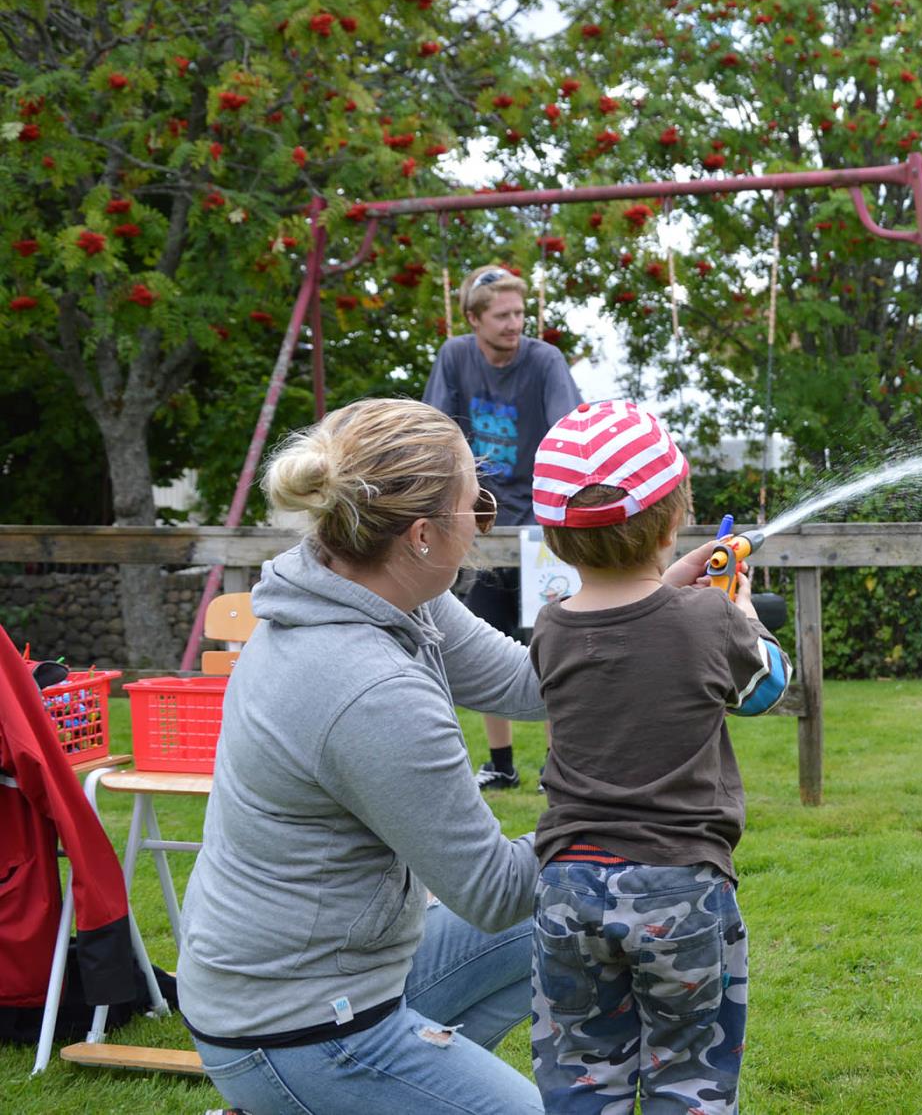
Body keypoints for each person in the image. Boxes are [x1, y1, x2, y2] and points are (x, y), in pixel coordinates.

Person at [176, 398, 548, 1114]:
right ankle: (309, 1094)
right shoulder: (368, 688)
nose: (482, 525)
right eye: (480, 508)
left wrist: (649, 625)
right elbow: (495, 891)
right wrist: (618, 810)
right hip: (291, 1025)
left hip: (333, 979)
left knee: (566, 917)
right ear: (420, 535)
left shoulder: (378, 587)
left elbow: (525, 683)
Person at [526, 400, 791, 1114]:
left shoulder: (550, 629)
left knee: (582, 1077)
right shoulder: (708, 620)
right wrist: (734, 605)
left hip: (568, 888)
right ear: (674, 515)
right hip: (681, 888)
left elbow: (627, 616)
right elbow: (766, 687)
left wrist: (681, 578)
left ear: (553, 536)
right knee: (687, 1078)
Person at [423, 264, 583, 790]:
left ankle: (555, 767)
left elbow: (568, 430)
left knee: (551, 639)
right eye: (502, 315)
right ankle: (501, 763)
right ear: (474, 318)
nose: (515, 324)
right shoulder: (455, 357)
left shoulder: (545, 361)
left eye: (520, 313)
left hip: (540, 524)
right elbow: (437, 431)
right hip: (482, 518)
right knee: (488, 639)